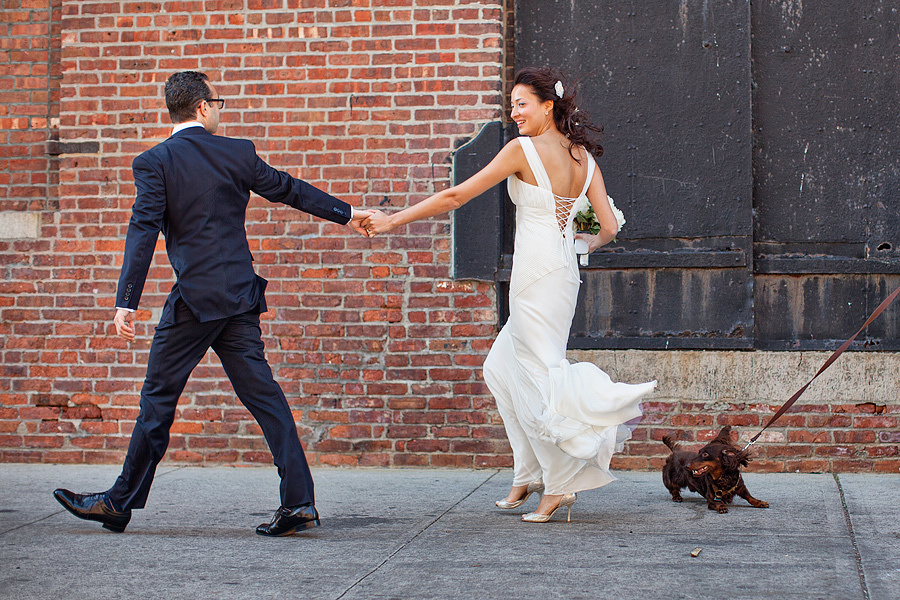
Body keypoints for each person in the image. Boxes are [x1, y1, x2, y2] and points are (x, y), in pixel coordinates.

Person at [53, 71, 372, 536]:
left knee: (158, 400)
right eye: (217, 102)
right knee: (266, 399)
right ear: (203, 107)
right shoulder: (236, 152)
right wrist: (349, 214)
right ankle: (299, 503)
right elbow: (290, 189)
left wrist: (126, 301)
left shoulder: (154, 162)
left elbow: (143, 229)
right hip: (239, 296)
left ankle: (118, 503)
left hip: (195, 301)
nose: (220, 110)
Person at [363, 67, 656, 523]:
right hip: (562, 274)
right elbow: (610, 226)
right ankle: (528, 472)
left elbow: (456, 196)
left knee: (539, 377)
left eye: (522, 104)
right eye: (512, 104)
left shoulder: (522, 150)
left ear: (548, 106)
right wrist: (582, 243)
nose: (514, 112)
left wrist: (391, 220)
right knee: (500, 369)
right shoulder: (583, 158)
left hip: (535, 277)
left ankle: (559, 485)